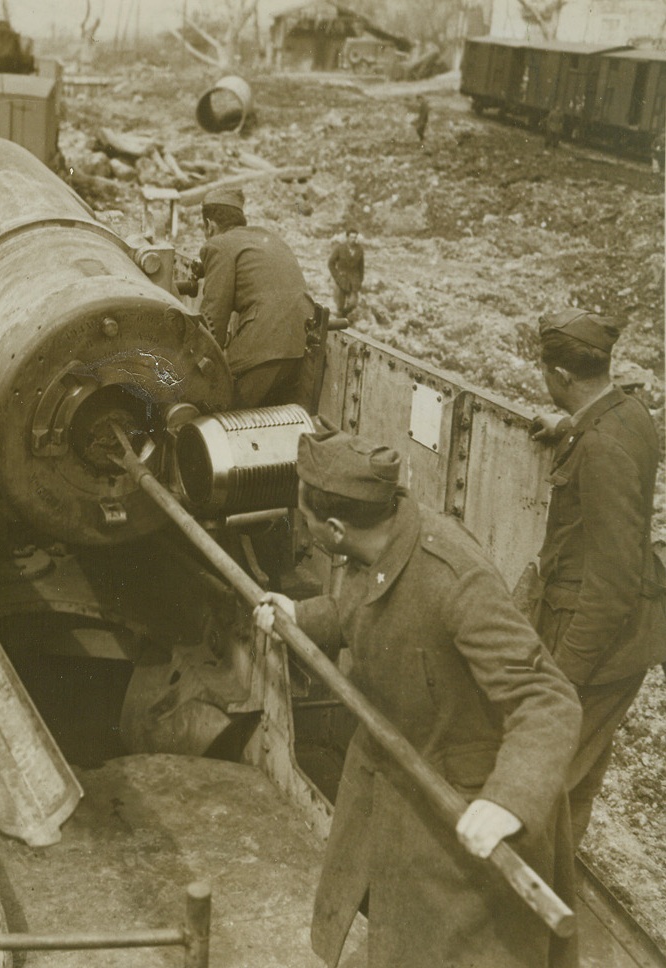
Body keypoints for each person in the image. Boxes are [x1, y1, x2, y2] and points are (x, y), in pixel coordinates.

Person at [258, 430, 581, 968]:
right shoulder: (381, 541)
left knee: (457, 951)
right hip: (398, 779)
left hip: (460, 803)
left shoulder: (454, 578)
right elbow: (368, 610)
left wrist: (507, 800)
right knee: (400, 938)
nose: (304, 524)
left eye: (305, 516)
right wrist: (301, 616)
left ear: (333, 530)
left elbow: (547, 698)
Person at [525, 309, 666, 844]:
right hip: (624, 641)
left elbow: (611, 585)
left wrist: (565, 677)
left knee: (544, 776)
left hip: (599, 641)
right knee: (577, 775)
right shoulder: (628, 413)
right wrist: (566, 426)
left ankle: (522, 907)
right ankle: (557, 880)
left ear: (559, 376)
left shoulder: (602, 447)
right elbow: (605, 433)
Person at [197, 185, 313, 409]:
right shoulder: (268, 237)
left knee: (222, 413)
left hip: (265, 345)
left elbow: (213, 318)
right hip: (302, 343)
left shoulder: (219, 245)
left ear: (210, 225)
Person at [327, 228, 364, 317]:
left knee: (353, 303)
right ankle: (340, 320)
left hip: (354, 281)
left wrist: (360, 280)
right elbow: (331, 263)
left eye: (355, 237)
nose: (353, 240)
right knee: (340, 305)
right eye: (351, 237)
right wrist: (336, 276)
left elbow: (361, 267)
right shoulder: (340, 248)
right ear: (347, 237)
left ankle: (343, 315)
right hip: (341, 280)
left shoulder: (359, 250)